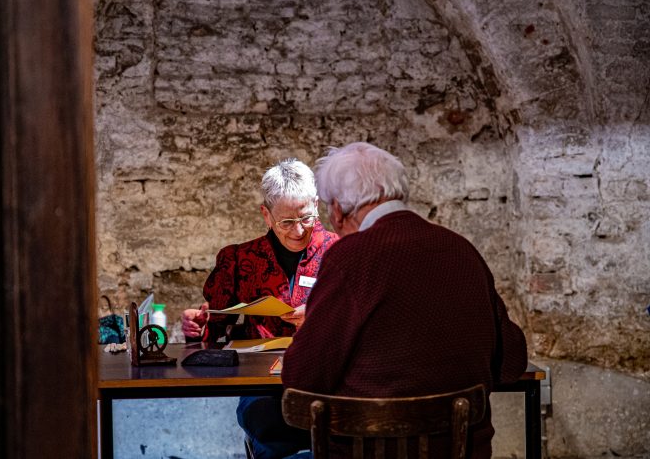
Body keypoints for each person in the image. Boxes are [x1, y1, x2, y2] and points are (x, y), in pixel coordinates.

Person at [282, 142, 528, 459]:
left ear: (339, 210)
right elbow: (511, 362)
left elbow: (301, 379)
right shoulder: (460, 249)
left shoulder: (350, 259)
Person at [182, 158, 338, 459]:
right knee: (269, 421)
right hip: (263, 386)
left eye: (306, 218)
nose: (298, 231)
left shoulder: (341, 252)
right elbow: (214, 330)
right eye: (286, 222)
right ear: (266, 215)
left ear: (316, 205)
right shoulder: (240, 260)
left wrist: (320, 315)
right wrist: (198, 325)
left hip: (325, 381)